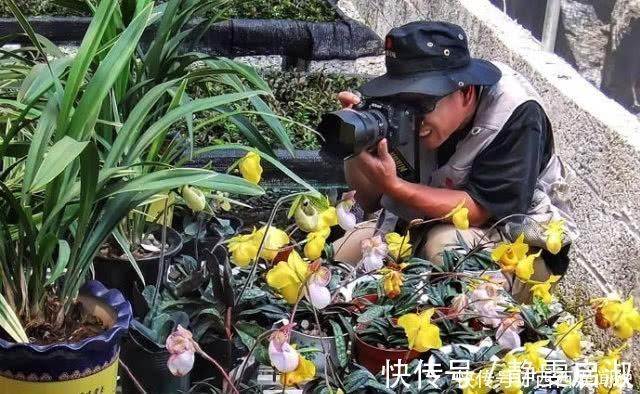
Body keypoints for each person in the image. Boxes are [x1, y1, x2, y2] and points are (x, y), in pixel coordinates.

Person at [332, 21, 577, 303]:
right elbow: (370, 200)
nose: (414, 117)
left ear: (466, 92)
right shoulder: (400, 111)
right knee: (337, 263)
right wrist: (356, 147)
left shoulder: (515, 113)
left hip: (519, 250)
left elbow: (479, 210)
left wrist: (395, 186)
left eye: (423, 102)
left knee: (445, 247)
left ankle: (481, 334)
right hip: (419, 221)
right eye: (401, 98)